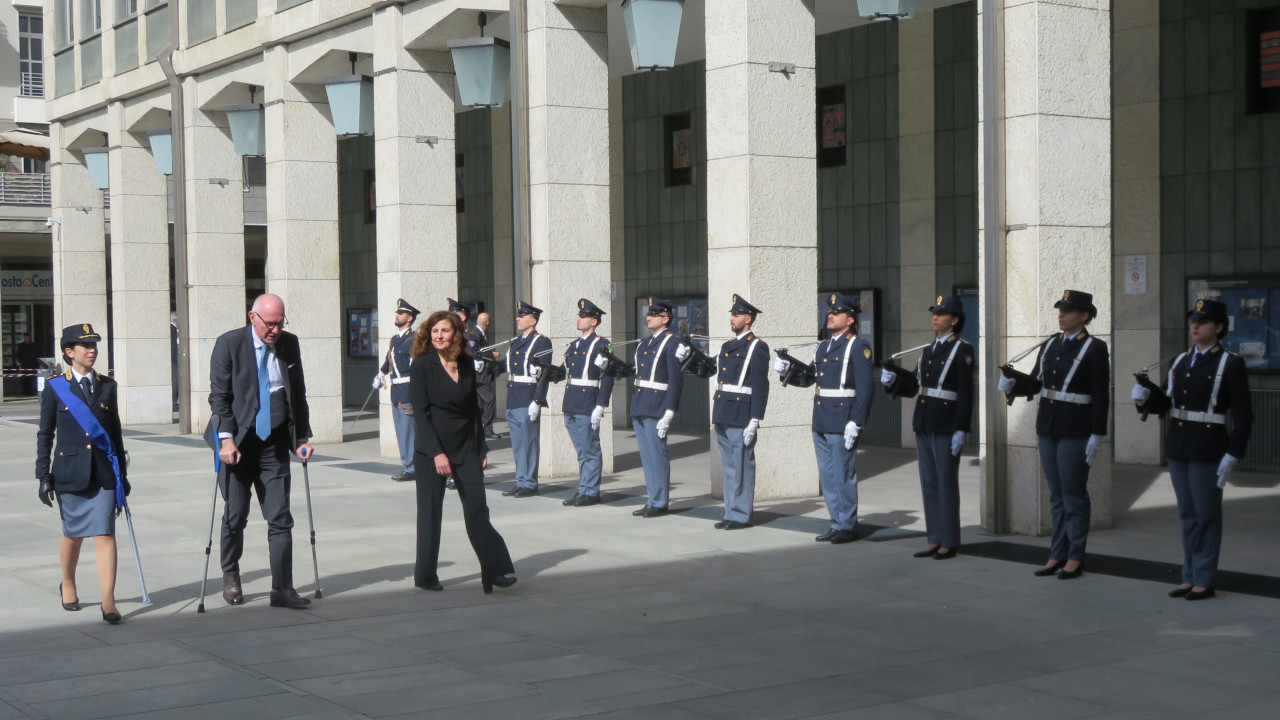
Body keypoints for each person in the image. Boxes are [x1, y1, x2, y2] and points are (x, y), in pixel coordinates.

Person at [1131, 299, 1252, 600]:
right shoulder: (1179, 361)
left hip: (1209, 446)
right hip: (1180, 445)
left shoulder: (1230, 363)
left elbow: (1243, 414)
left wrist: (1232, 453)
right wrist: (1144, 397)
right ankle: (1189, 574)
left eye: (1204, 321)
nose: (1195, 326)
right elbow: (1165, 404)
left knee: (1206, 514)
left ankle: (1205, 578)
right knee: (1187, 512)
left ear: (1219, 327)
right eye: (1193, 321)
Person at [208, 293, 315, 609]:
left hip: (274, 443)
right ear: (252, 317)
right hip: (238, 444)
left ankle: (282, 587)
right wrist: (226, 440)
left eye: (280, 323)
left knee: (280, 517)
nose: (275, 330)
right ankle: (231, 575)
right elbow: (219, 398)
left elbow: (297, 393)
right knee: (236, 515)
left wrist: (302, 438)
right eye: (270, 323)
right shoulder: (229, 344)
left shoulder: (288, 343)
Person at [999, 289, 1109, 580]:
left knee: (1074, 494)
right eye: (1060, 309)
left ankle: (1075, 555)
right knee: (1057, 495)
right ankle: (1057, 553)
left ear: (1084, 316)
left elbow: (1101, 396)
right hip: (1048, 427)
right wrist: (1013, 384)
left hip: (1076, 429)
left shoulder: (1094, 348)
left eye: (1068, 311)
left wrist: (1098, 433)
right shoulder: (1049, 345)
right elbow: (1036, 383)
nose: (1061, 315)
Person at [409, 310, 516, 593]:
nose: (439, 336)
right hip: (432, 450)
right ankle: (426, 575)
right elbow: (421, 415)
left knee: (477, 508)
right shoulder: (421, 366)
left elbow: (473, 411)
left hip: (466, 446)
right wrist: (437, 453)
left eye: (444, 331)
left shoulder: (467, 364)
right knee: (430, 513)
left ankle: (496, 569)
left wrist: (481, 447)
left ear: (456, 334)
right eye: (434, 332)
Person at [35, 324, 129, 624]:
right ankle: (69, 583)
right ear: (69, 352)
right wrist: (43, 475)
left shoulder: (107, 386)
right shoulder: (55, 387)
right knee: (73, 536)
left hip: (102, 472)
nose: (92, 351)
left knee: (104, 534)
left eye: (94, 346)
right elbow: (45, 433)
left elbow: (114, 434)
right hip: (69, 472)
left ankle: (108, 601)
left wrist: (122, 477)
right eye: (85, 346)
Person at [773, 292, 873, 543]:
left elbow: (865, 389)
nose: (830, 315)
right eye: (829, 312)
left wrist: (856, 422)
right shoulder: (824, 346)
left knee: (843, 475)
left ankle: (848, 525)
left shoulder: (857, 346)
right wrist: (787, 372)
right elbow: (810, 379)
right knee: (828, 477)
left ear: (849, 319)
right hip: (821, 418)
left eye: (836, 313)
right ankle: (836, 522)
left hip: (842, 420)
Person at [882, 296, 974, 559]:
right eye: (934, 312)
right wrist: (892, 380)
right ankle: (934, 537)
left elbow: (966, 393)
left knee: (945, 484)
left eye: (941, 313)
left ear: (954, 320)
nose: (935, 317)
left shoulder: (962, 349)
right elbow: (914, 385)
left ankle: (949, 540)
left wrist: (961, 429)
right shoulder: (929, 349)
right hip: (925, 420)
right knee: (929, 483)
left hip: (946, 424)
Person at [707, 295, 769, 529]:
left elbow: (761, 385)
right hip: (723, 410)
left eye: (736, 315)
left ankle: (741, 514)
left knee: (741, 465)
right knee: (730, 467)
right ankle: (730, 512)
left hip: (741, 413)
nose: (732, 318)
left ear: (748, 318)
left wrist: (755, 418)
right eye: (732, 314)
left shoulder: (757, 346)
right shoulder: (727, 346)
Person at [630, 297, 685, 518]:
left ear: (666, 318)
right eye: (648, 313)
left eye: (654, 314)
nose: (648, 317)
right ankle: (652, 498)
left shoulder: (672, 343)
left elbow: (676, 380)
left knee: (657, 455)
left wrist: (669, 411)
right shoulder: (645, 343)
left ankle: (660, 501)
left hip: (656, 405)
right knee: (647, 456)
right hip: (641, 403)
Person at [561, 298, 615, 507]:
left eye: (583, 316)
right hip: (572, 401)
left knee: (590, 448)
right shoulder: (575, 344)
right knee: (582, 450)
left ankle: (591, 491)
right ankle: (584, 488)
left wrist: (600, 405)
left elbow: (609, 376)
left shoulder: (602, 344)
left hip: (587, 401)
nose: (579, 319)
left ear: (594, 321)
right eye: (579, 315)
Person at [501, 301, 552, 497]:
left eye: (522, 316)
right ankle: (521, 478)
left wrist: (538, 401)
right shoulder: (516, 341)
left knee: (529, 442)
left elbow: (545, 374)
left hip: (528, 397)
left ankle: (530, 482)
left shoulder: (541, 342)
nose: (518, 318)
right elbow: (506, 366)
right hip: (513, 396)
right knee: (518, 443)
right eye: (518, 315)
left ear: (533, 320)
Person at [373, 298, 420, 482]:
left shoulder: (414, 339)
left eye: (400, 314)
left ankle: (412, 467)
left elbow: (415, 366)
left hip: (408, 390)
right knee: (402, 432)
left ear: (409, 318)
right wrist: (381, 374)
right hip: (396, 391)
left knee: (408, 432)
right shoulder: (395, 339)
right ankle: (408, 465)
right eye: (397, 313)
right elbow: (388, 361)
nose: (397, 315)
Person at [474, 311, 500, 439]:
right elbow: (474, 353)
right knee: (490, 398)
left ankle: (483, 427)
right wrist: (492, 355)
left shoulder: (480, 334)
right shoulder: (475, 335)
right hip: (479, 377)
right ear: (488, 323)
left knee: (481, 402)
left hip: (482, 375)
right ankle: (487, 427)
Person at [16, 332, 40, 396]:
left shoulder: (33, 345)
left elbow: (37, 354)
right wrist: (21, 361)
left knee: (33, 379)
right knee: (24, 379)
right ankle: (25, 391)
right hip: (25, 364)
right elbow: (18, 355)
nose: (26, 338)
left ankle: (32, 391)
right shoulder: (21, 346)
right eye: (25, 337)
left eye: (27, 337)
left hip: (33, 364)